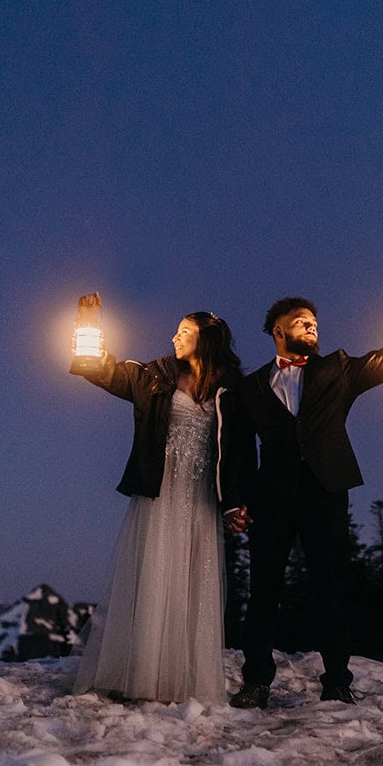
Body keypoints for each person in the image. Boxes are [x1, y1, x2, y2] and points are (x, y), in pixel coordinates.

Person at [227, 297, 383, 709]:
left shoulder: (338, 369)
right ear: (278, 332)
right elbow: (238, 449)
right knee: (262, 593)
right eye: (301, 323)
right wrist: (235, 500)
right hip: (271, 500)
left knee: (331, 588)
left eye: (314, 323)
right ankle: (256, 682)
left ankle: (337, 683)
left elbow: (382, 360)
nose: (311, 328)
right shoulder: (251, 387)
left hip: (326, 491)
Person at [69, 292, 248, 705]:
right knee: (155, 577)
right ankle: (144, 675)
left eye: (185, 332)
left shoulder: (232, 389)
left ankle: (181, 681)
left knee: (192, 583)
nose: (174, 337)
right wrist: (89, 321)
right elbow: (103, 370)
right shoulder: (153, 375)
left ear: (207, 339)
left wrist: (236, 501)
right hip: (160, 493)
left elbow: (239, 450)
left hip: (201, 498)